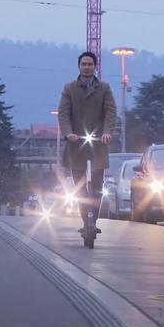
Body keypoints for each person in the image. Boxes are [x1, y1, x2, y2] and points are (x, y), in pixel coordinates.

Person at [57, 52, 116, 233]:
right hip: (77, 145)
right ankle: (85, 221)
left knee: (97, 187)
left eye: (90, 64)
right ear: (79, 66)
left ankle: (94, 220)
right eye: (84, 64)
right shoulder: (69, 89)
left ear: (95, 66)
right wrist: (68, 133)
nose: (87, 67)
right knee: (80, 187)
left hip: (98, 144)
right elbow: (63, 113)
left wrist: (107, 132)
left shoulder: (104, 88)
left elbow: (110, 112)